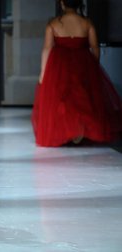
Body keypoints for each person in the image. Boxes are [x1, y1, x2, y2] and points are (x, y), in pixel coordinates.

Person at [32, 0, 122, 147]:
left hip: (59, 66)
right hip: (83, 62)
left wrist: (43, 72)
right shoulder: (86, 23)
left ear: (62, 3)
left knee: (62, 98)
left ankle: (67, 132)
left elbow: (47, 49)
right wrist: (93, 65)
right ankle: (78, 131)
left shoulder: (53, 24)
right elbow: (95, 47)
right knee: (82, 97)